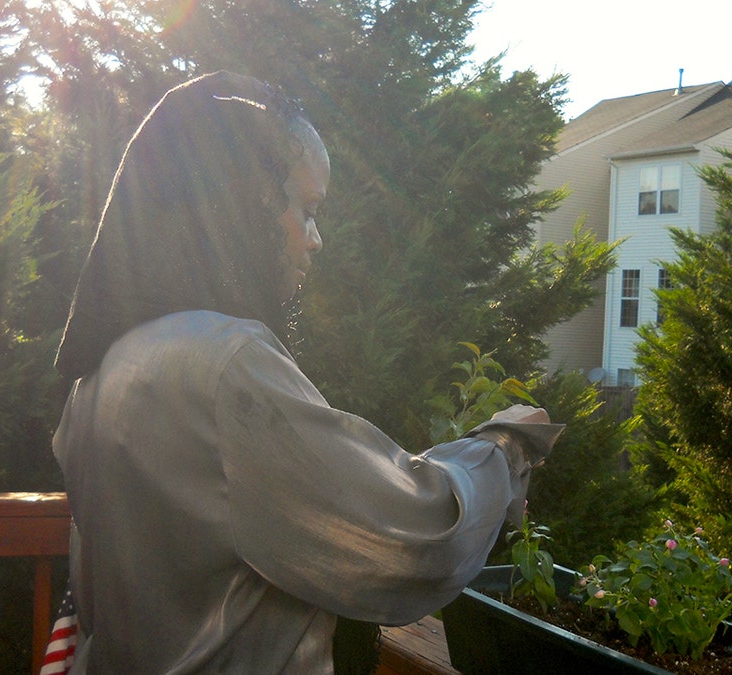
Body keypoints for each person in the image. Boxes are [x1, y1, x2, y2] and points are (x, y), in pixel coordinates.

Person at [51, 71, 564, 674]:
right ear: (241, 205)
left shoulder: (108, 366)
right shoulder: (226, 366)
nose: (315, 239)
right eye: (307, 208)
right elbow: (408, 538)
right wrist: (504, 448)